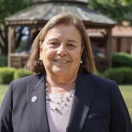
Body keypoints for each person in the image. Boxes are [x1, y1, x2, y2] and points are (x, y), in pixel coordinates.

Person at [0, 13, 132, 132]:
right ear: (41, 50)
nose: (61, 51)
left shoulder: (107, 91)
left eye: (71, 45)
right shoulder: (17, 91)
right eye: (54, 43)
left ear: (81, 52)